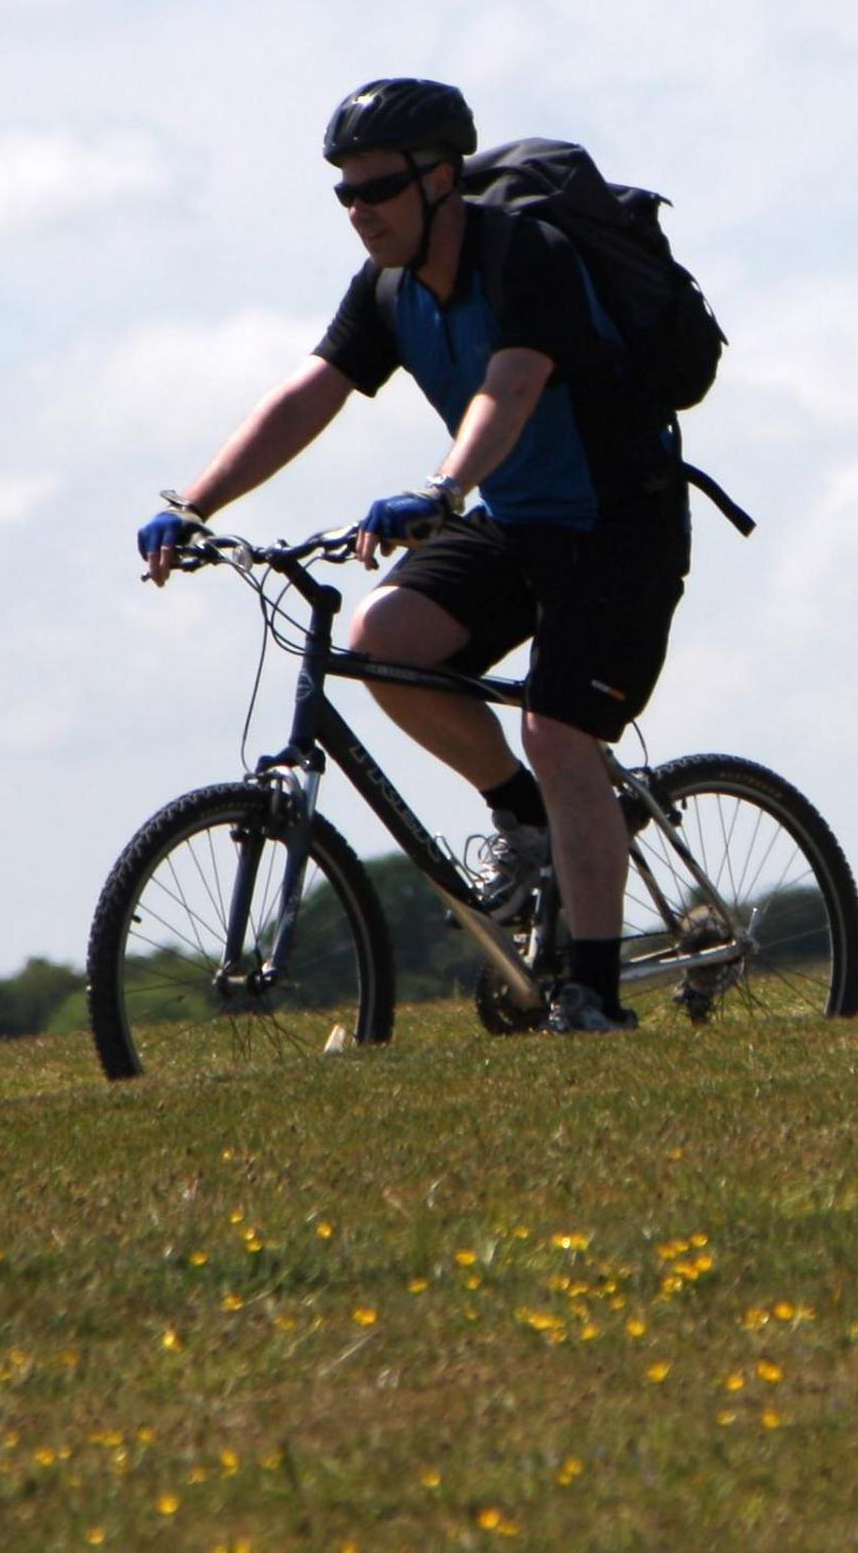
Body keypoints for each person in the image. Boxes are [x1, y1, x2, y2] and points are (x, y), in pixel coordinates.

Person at [137, 78, 693, 1035]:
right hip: (518, 520)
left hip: (616, 524)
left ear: (442, 180)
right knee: (384, 632)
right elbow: (308, 393)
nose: (360, 212)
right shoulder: (390, 288)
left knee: (561, 734)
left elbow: (511, 387)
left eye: (380, 188)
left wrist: (441, 490)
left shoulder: (527, 255)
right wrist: (195, 502)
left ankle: (593, 996)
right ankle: (531, 826)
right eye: (344, 194)